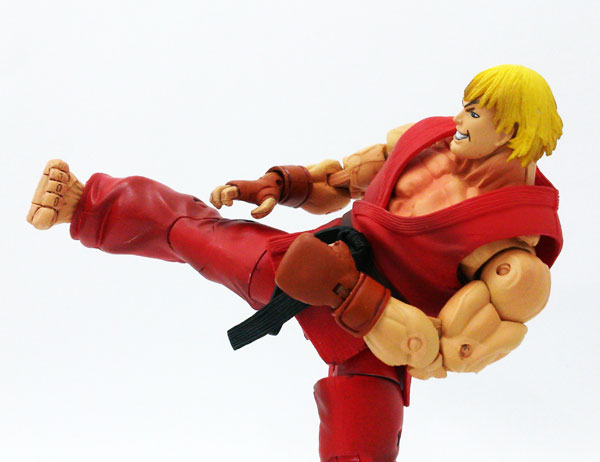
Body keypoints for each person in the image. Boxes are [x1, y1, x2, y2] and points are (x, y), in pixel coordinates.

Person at [27, 64, 563, 462]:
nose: (459, 118)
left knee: (359, 450)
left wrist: (347, 291)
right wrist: (283, 185)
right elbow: (343, 179)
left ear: (512, 133)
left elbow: (443, 352)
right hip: (313, 261)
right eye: (465, 105)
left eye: (475, 113)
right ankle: (87, 204)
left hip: (379, 336)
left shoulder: (514, 252)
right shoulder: (427, 140)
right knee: (198, 235)